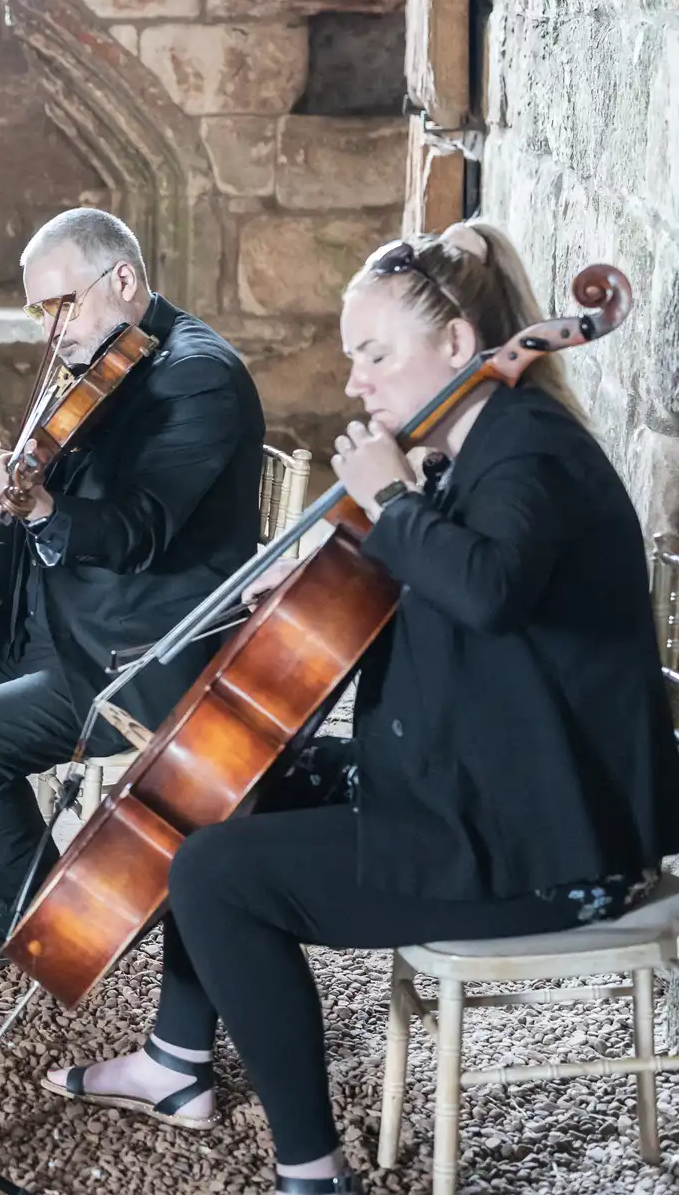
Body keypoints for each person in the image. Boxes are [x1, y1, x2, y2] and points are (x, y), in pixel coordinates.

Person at [45, 220, 679, 1194]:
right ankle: (176, 1057)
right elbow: (455, 618)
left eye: (373, 354)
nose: (355, 383)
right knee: (242, 778)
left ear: (457, 346)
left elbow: (487, 589)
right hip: (481, 782)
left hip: (548, 845)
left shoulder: (526, 454)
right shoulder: (468, 454)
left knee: (216, 873)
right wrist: (331, 572)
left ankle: (309, 1173)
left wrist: (387, 509)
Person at [0, 208, 265, 969]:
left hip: (122, 654)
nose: (48, 328)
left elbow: (137, 533)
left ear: (123, 279)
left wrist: (32, 501)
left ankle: (38, 907)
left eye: (60, 304)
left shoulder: (198, 377)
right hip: (42, 622)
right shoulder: (97, 368)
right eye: (36, 309)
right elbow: (26, 518)